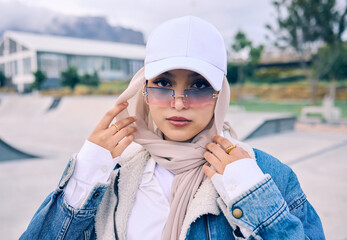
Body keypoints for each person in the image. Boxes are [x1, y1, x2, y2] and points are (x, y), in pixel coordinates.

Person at [20, 16, 325, 240]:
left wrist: (253, 197)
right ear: (144, 91)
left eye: (199, 85)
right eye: (164, 84)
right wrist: (85, 174)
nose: (179, 103)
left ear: (221, 95)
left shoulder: (268, 175)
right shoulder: (114, 177)